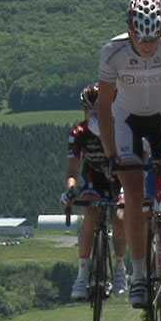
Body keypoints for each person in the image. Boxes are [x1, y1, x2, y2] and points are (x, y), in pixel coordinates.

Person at [96, 0, 161, 310]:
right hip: (127, 120)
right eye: (141, 38)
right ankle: (139, 274)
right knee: (133, 193)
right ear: (130, 31)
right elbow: (105, 107)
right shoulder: (114, 52)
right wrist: (110, 154)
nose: (148, 45)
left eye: (153, 38)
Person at [63, 84, 128, 300]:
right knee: (90, 213)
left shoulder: (120, 128)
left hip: (118, 179)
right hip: (94, 179)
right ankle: (82, 274)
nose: (93, 115)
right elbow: (72, 171)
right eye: (89, 110)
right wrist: (71, 191)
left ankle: (119, 267)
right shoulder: (78, 134)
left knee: (119, 216)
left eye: (98, 110)